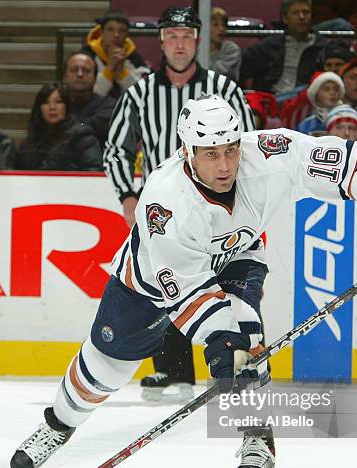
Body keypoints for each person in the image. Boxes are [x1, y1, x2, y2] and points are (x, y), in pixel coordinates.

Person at [9, 95, 357, 468]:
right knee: (104, 364)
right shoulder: (165, 201)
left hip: (237, 256)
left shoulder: (269, 153)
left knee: (246, 330)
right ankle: (58, 425)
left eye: (231, 150)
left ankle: (256, 437)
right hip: (151, 280)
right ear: (187, 151)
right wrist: (219, 341)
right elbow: (188, 288)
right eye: (211, 154)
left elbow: (352, 160)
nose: (225, 164)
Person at [104, 6, 255, 403]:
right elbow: (116, 150)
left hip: (219, 204)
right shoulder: (139, 92)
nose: (179, 44)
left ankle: (224, 363)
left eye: (187, 36)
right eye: (171, 36)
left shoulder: (226, 90)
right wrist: (127, 195)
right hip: (162, 210)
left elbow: (250, 147)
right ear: (162, 42)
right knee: (166, 280)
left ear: (198, 40)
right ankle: (172, 371)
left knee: (219, 283)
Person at [240, 0, 326, 96]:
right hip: (272, 101)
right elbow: (241, 69)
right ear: (285, 19)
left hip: (306, 102)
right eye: (295, 13)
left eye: (306, 12)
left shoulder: (322, 48)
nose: (302, 17)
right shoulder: (268, 46)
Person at [16, 82, 103, 171]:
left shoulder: (81, 135)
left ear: (67, 107)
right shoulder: (29, 142)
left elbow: (95, 170)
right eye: (46, 102)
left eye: (58, 102)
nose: (52, 107)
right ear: (39, 108)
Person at [83, 9, 150, 99]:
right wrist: (109, 69)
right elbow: (89, 97)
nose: (116, 35)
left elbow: (142, 95)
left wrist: (122, 73)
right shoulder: (87, 55)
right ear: (101, 32)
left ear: (127, 34)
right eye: (110, 29)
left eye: (122, 30)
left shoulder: (134, 57)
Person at [62, 51, 117, 151]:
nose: (80, 74)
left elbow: (95, 126)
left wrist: (60, 126)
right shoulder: (55, 105)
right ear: (64, 76)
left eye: (86, 71)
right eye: (74, 70)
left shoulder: (108, 106)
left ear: (95, 77)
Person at [297, 71, 345, 135]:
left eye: (335, 89)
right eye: (326, 89)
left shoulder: (349, 121)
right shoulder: (305, 126)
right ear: (316, 95)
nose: (332, 93)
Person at [209, 7, 242, 82]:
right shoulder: (194, 48)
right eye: (216, 25)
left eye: (223, 25)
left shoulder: (231, 49)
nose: (221, 29)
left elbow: (219, 74)